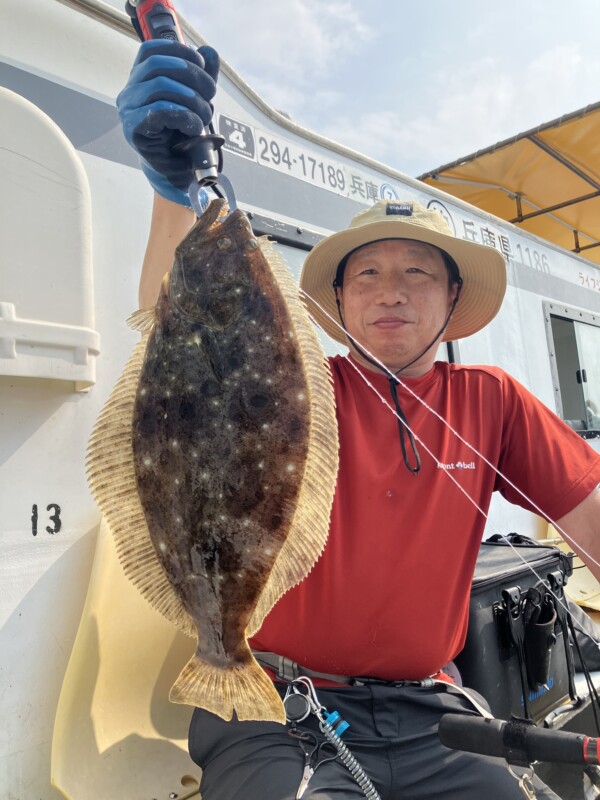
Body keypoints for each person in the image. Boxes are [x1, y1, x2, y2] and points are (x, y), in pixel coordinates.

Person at [117, 41, 600, 799]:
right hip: (276, 705)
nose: (391, 292)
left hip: (433, 709)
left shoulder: (493, 398)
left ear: (450, 302)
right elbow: (175, 337)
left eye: (417, 273)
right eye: (367, 274)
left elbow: (592, 520)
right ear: (338, 304)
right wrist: (171, 193)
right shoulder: (294, 389)